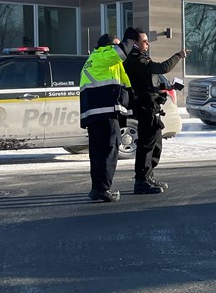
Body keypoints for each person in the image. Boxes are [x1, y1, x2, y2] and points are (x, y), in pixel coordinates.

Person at [122, 27, 188, 195]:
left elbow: (147, 82)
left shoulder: (140, 58)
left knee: (156, 144)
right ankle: (141, 181)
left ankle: (149, 176)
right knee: (146, 144)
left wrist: (165, 87)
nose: (147, 44)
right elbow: (163, 67)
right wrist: (178, 55)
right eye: (144, 41)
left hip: (152, 106)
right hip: (145, 107)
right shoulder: (135, 59)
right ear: (134, 43)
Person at [79, 33, 135, 202]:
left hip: (95, 113)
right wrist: (131, 38)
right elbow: (121, 51)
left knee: (98, 153)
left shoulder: (94, 59)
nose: (118, 47)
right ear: (109, 46)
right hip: (105, 112)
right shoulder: (105, 55)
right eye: (115, 45)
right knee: (108, 151)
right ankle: (103, 189)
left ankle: (97, 188)